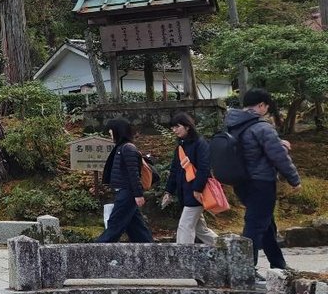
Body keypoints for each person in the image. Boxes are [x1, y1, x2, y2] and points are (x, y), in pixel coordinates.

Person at [226, 88, 301, 270]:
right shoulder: (262, 127)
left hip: (241, 182)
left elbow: (251, 151)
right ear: (261, 105)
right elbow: (277, 156)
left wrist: (278, 144)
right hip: (261, 182)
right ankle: (243, 270)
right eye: (266, 106)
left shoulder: (232, 125)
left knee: (266, 224)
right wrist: (294, 179)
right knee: (255, 225)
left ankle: (278, 264)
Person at [96, 118, 154, 243]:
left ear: (118, 131)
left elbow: (133, 173)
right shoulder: (120, 148)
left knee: (115, 224)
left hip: (127, 192)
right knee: (137, 228)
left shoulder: (128, 148)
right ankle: (151, 250)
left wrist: (138, 194)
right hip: (124, 191)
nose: (110, 133)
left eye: (111, 131)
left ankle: (95, 250)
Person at [162, 113, 217, 244]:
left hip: (196, 193)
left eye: (177, 126)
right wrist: (168, 192)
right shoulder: (181, 146)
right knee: (201, 230)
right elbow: (174, 171)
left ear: (187, 127)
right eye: (172, 128)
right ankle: (227, 248)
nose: (174, 130)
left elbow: (204, 169)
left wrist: (197, 189)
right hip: (186, 192)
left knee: (185, 226)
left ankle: (183, 258)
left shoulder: (200, 144)